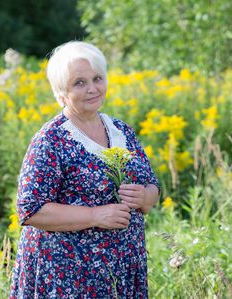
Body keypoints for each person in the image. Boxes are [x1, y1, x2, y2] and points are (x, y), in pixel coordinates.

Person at [9, 41, 160, 299]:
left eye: (97, 78)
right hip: (68, 277)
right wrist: (96, 216)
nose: (92, 89)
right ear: (61, 92)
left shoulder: (121, 130)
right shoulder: (51, 139)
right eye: (79, 82)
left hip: (120, 273)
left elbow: (152, 188)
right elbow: (30, 210)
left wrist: (145, 197)